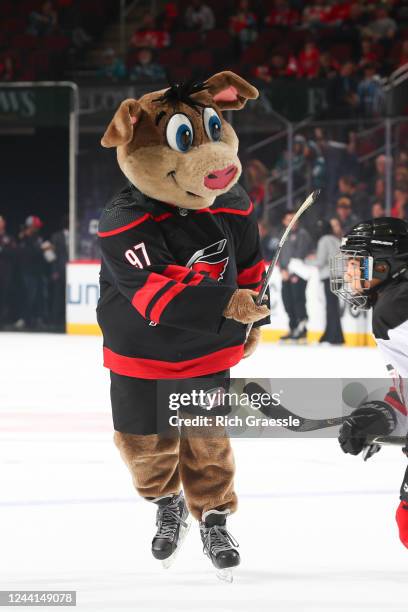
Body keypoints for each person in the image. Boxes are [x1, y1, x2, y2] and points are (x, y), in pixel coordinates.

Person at [97, 73, 270, 578]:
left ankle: (213, 515)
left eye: (214, 134)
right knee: (143, 448)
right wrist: (228, 307)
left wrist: (253, 318)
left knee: (208, 440)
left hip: (207, 350)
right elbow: (153, 291)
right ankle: (165, 500)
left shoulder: (232, 203)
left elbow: (251, 267)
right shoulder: (124, 217)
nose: (216, 161)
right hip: (139, 351)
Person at [330, 218, 408, 549]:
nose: (348, 274)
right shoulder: (393, 301)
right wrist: (381, 415)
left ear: (386, 265)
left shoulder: (395, 306)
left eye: (355, 264)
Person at [279, 210, 313, 341]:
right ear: (284, 221)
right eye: (289, 219)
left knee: (298, 300)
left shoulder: (302, 234)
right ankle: (293, 327)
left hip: (298, 273)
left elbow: (300, 254)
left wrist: (291, 271)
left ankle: (302, 328)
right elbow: (280, 254)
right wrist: (283, 269)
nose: (292, 222)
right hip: (285, 273)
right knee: (287, 300)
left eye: (294, 219)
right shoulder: (283, 234)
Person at [309, 220, 344, 344]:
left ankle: (332, 336)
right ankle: (334, 335)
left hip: (329, 276)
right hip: (338, 275)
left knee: (331, 307)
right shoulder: (335, 239)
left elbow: (320, 261)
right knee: (333, 306)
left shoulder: (324, 240)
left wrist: (306, 261)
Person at [0, 216, 14, 328]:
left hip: (4, 272)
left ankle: (3, 321)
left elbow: (14, 252)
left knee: (3, 296)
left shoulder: (8, 238)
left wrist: (3, 250)